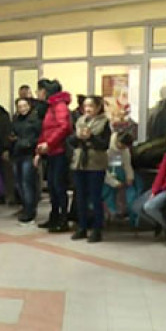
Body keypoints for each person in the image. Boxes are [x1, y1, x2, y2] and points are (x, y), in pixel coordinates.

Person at [68, 95, 112, 243]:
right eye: (85, 106)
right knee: (80, 197)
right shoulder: (80, 121)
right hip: (79, 163)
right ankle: (82, 227)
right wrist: (78, 137)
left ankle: (97, 229)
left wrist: (91, 137)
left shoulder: (104, 122)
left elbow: (104, 145)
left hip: (96, 164)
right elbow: (71, 141)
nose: (87, 109)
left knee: (95, 197)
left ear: (98, 108)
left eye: (91, 106)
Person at [36, 81, 72, 232]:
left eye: (39, 90)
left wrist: (49, 144)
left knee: (58, 186)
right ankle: (54, 216)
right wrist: (39, 150)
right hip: (51, 152)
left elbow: (65, 127)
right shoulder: (51, 107)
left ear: (45, 91)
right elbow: (46, 130)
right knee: (52, 186)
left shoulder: (59, 106)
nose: (37, 93)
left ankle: (63, 219)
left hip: (59, 152)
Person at [10, 98, 42, 225]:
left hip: (29, 154)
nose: (22, 108)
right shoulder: (16, 120)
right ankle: (25, 206)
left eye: (24, 105)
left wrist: (36, 152)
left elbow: (39, 138)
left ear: (29, 106)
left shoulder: (35, 120)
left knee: (27, 183)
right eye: (19, 106)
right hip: (17, 154)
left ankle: (30, 211)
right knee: (19, 183)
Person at [103, 131, 139, 223]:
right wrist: (114, 182)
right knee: (108, 194)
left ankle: (130, 215)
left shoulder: (125, 151)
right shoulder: (106, 149)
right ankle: (112, 212)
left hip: (120, 174)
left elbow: (127, 164)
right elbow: (103, 169)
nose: (123, 148)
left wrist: (129, 177)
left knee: (131, 193)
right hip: (107, 177)